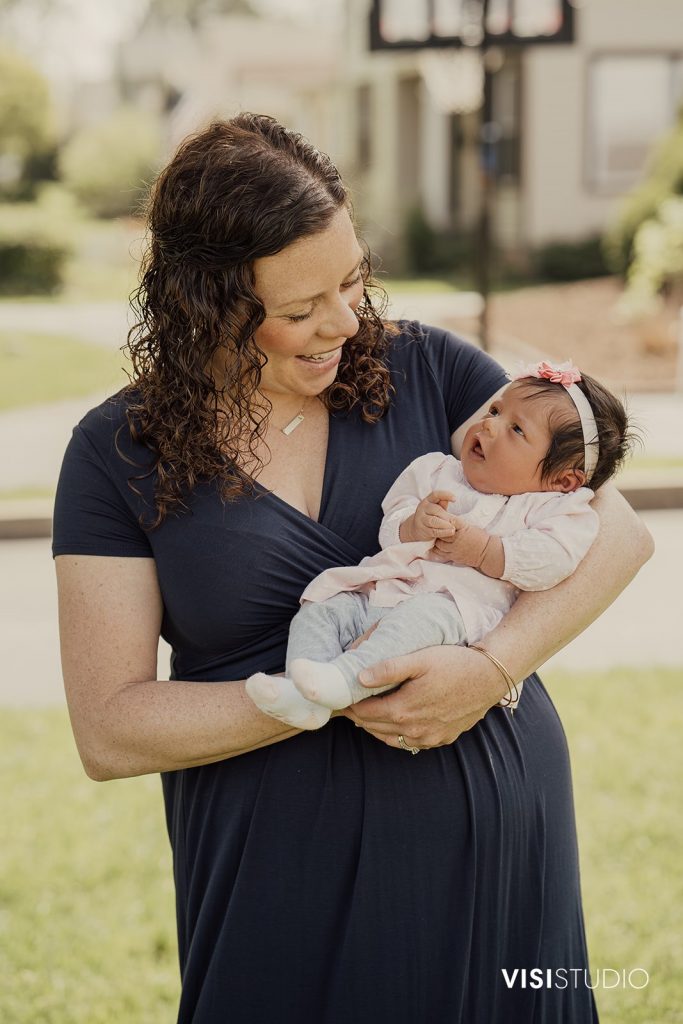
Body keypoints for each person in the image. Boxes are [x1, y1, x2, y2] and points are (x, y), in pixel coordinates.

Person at [52, 113, 653, 1024]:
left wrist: (489, 668)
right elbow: (111, 731)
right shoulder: (115, 454)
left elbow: (618, 533)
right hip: (275, 879)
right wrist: (322, 693)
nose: (342, 322)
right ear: (205, 304)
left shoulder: (429, 368)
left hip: (495, 855)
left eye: (351, 280)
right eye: (299, 309)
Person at [245, 362, 634, 731]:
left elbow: (551, 562)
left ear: (563, 481)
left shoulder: (559, 511)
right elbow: (392, 522)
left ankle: (343, 679)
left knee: (421, 619)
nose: (490, 424)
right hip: (383, 591)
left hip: (457, 613)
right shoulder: (436, 470)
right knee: (323, 605)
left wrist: (484, 550)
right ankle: (303, 692)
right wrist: (413, 525)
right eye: (496, 410)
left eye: (516, 429)